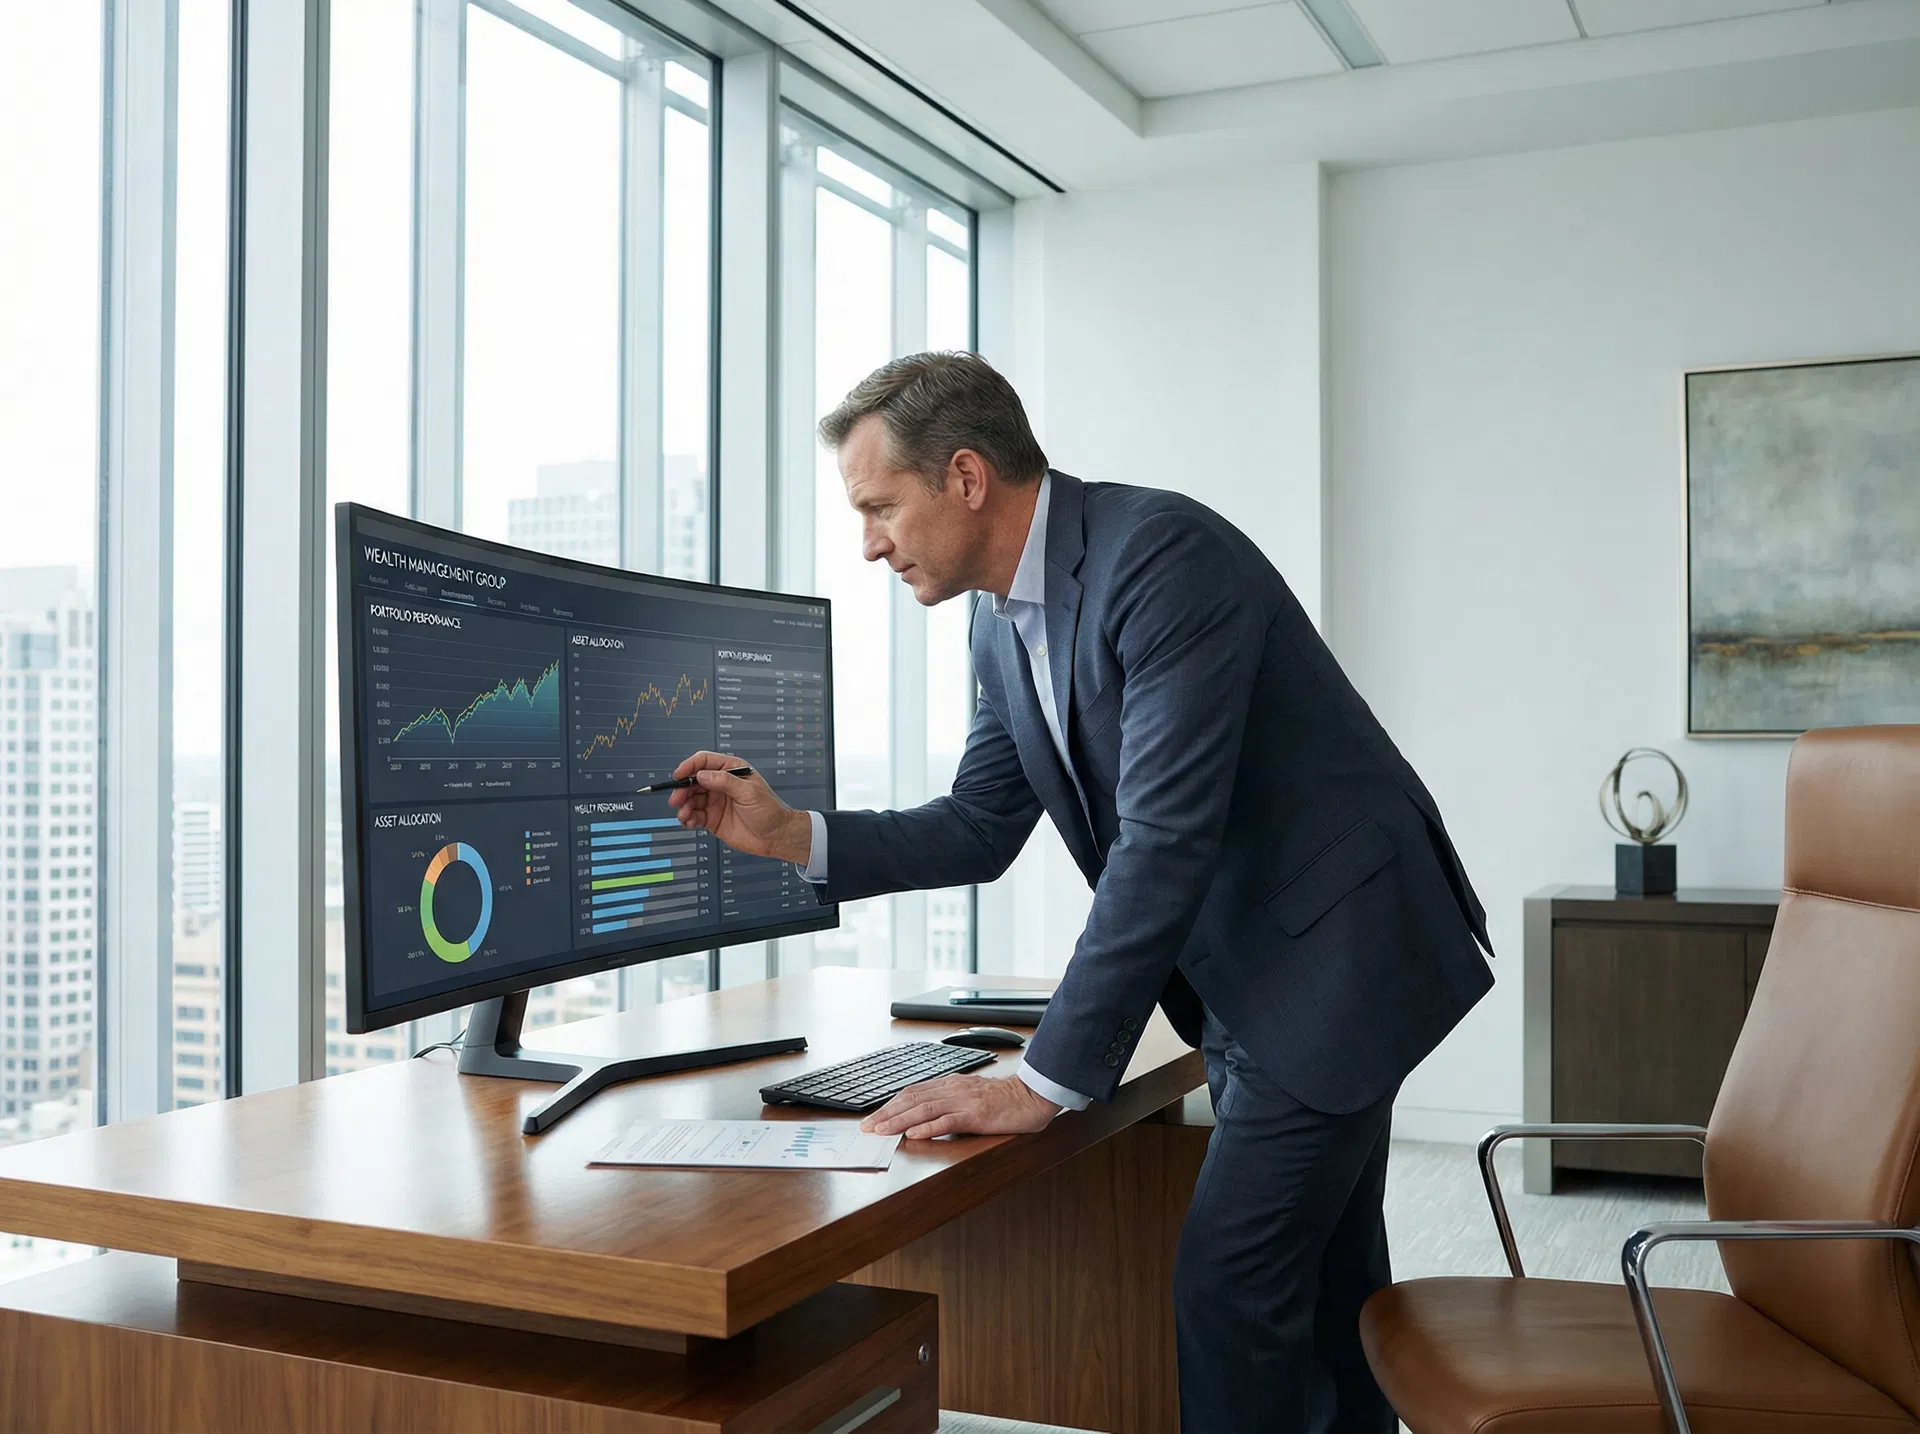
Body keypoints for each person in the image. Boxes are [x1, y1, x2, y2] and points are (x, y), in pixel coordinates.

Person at [669, 351, 1492, 1432]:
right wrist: (793, 837)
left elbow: (1164, 838)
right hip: (1252, 968)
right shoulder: (999, 619)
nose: (868, 542)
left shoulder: (1161, 557)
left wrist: (1044, 1081)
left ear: (964, 477)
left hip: (1338, 955)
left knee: (1230, 1286)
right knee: (1325, 1286)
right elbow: (977, 823)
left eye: (879, 507)